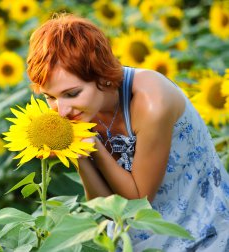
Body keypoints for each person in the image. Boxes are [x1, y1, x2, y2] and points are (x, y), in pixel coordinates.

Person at [26, 14, 229, 251]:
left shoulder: (152, 100)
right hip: (135, 241)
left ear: (101, 75)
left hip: (204, 233)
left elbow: (138, 204)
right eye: (50, 97)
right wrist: (77, 151)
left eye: (72, 93)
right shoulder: (81, 112)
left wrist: (96, 149)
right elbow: (106, 210)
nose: (61, 111)